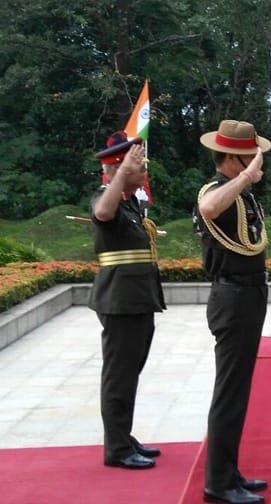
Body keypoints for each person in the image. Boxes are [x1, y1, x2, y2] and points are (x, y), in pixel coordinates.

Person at [194, 120, 271, 504]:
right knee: (229, 393)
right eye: (249, 155)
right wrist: (246, 179)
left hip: (249, 296)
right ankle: (218, 484)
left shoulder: (241, 197)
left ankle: (228, 471)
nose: (256, 162)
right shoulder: (216, 190)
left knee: (237, 391)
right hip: (233, 298)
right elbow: (209, 207)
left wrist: (246, 183)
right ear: (231, 157)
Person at [88, 131, 165, 470]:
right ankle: (116, 449)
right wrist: (120, 175)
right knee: (119, 376)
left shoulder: (132, 203)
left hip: (138, 300)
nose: (144, 170)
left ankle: (124, 436)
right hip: (120, 302)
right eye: (139, 166)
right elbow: (104, 214)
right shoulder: (107, 198)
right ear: (118, 169)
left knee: (130, 372)